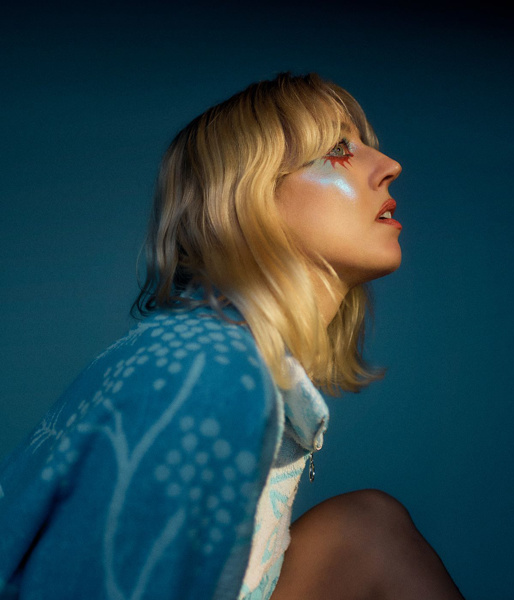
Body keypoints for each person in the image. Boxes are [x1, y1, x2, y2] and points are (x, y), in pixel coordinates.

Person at [0, 72, 464, 599]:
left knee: (366, 526)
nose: (390, 165)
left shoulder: (211, 353)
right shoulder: (211, 371)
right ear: (251, 197)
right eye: (338, 149)